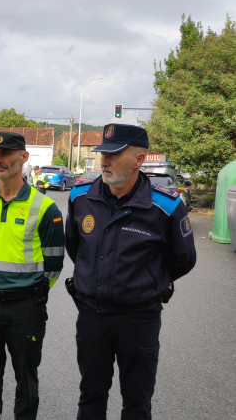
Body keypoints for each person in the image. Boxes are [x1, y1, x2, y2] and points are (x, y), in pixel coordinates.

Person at [65, 124, 196, 419]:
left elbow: (183, 259)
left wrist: (149, 282)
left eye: (114, 155)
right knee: (90, 397)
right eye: (103, 154)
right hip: (92, 316)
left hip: (139, 320)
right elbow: (76, 247)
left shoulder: (165, 206)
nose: (104, 162)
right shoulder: (81, 197)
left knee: (137, 402)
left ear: (139, 160)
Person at [0, 131, 65, 420]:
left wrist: (27, 289)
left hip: (25, 306)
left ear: (23, 157)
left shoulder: (45, 207)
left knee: (26, 377)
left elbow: (54, 263)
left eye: (6, 153)